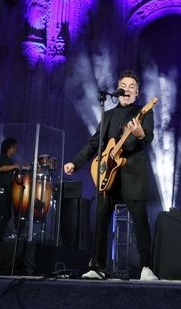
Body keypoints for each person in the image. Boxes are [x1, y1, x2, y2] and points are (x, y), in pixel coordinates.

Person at [63, 69, 158, 281]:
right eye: (124, 85)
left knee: (140, 220)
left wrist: (139, 133)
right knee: (100, 217)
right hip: (107, 174)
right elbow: (93, 144)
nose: (127, 89)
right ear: (118, 89)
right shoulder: (107, 116)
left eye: (132, 86)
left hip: (132, 171)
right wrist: (75, 163)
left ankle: (145, 267)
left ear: (137, 93)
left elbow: (148, 137)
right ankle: (97, 265)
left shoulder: (143, 111)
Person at [0, 137, 21, 241]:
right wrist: (14, 167)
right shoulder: (2, 157)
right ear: (8, 147)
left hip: (7, 191)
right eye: (14, 147)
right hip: (1, 189)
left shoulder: (10, 161)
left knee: (7, 215)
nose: (15, 150)